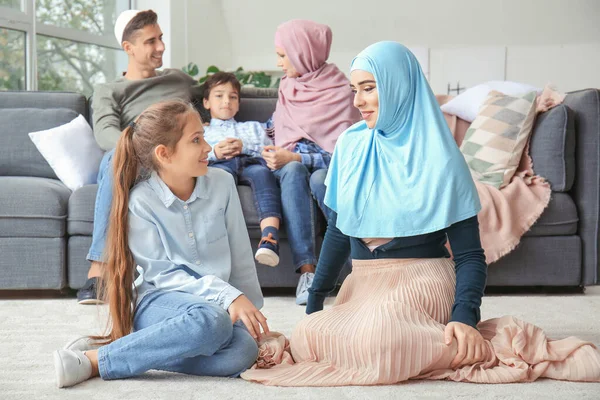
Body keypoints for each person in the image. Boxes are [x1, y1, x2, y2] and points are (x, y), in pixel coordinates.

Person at [240, 42, 600, 386]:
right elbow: (338, 229)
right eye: (354, 90)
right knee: (310, 335)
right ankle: (427, 344)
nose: (358, 101)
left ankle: (460, 341)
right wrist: (316, 300)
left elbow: (471, 255)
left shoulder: (441, 157)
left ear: (398, 86)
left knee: (381, 340)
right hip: (365, 283)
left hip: (422, 281)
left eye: (368, 88)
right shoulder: (351, 144)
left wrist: (464, 319)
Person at [53, 100, 268, 388]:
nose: (207, 147)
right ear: (164, 154)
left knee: (243, 351)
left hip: (213, 306)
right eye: (196, 140)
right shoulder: (141, 201)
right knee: (212, 321)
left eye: (204, 137)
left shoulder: (223, 183)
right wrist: (226, 297)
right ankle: (97, 360)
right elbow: (162, 275)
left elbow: (241, 258)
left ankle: (135, 348)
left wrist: (254, 319)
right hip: (158, 302)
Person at [77, 9, 201, 305]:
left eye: (160, 38)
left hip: (178, 160)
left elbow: (219, 98)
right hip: (135, 159)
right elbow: (106, 134)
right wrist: (145, 148)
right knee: (113, 158)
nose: (161, 47)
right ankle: (100, 268)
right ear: (128, 48)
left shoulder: (178, 80)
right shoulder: (110, 90)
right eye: (150, 41)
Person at [262, 19, 360, 304]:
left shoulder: (341, 90)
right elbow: (277, 127)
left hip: (326, 167)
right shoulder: (287, 86)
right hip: (289, 166)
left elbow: (343, 153)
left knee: (319, 178)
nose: (279, 63)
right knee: (292, 170)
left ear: (303, 51)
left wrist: (295, 155)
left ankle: (361, 266)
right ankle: (308, 271)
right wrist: (267, 146)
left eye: (282, 55)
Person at [202, 72, 282, 267]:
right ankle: (214, 241)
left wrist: (244, 147)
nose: (226, 101)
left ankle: (269, 238)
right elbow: (194, 155)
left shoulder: (253, 127)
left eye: (233, 97)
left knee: (263, 175)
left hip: (252, 163)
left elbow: (269, 151)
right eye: (219, 95)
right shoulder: (202, 130)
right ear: (206, 102)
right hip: (220, 165)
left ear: (239, 103)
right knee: (220, 179)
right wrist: (214, 152)